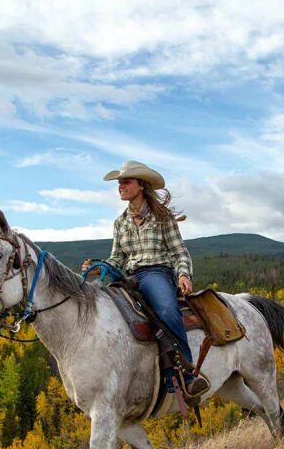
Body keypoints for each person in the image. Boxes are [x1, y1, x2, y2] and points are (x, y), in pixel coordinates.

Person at [82, 160, 210, 398]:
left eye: (126, 181)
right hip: (127, 275)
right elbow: (116, 257)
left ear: (141, 185)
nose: (121, 186)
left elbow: (179, 251)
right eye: (119, 183)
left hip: (156, 272)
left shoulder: (161, 216)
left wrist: (183, 274)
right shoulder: (120, 223)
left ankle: (188, 373)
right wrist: (99, 268)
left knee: (166, 309)